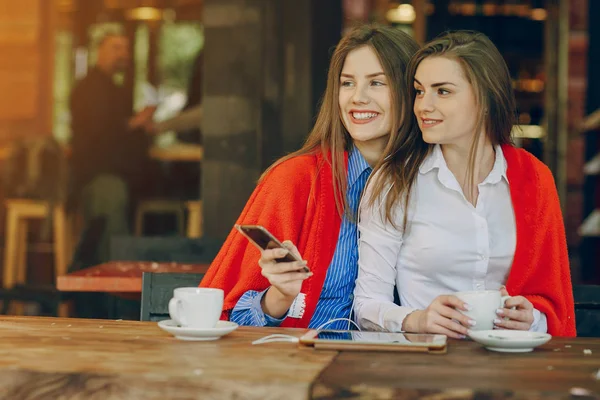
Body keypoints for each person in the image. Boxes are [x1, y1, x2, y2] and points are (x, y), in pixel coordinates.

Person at [354, 31, 576, 338]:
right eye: (419, 91)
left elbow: (551, 304)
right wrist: (418, 320)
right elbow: (366, 305)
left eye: (442, 91)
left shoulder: (534, 178)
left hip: (510, 365)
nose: (423, 106)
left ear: (485, 97)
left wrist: (531, 319)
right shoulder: (395, 180)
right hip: (425, 364)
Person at [200, 25, 420, 329]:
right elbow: (231, 316)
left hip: (403, 362)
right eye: (347, 83)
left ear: (412, 93)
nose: (358, 97)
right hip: (299, 358)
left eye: (377, 83)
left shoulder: (433, 182)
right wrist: (280, 295)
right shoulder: (295, 179)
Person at [69, 32, 156, 270]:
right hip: (99, 179)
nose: (122, 54)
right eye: (116, 48)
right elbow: (97, 133)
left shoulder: (112, 88)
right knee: (109, 246)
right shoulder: (90, 88)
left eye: (126, 49)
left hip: (113, 178)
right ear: (100, 51)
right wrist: (134, 123)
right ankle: (109, 302)